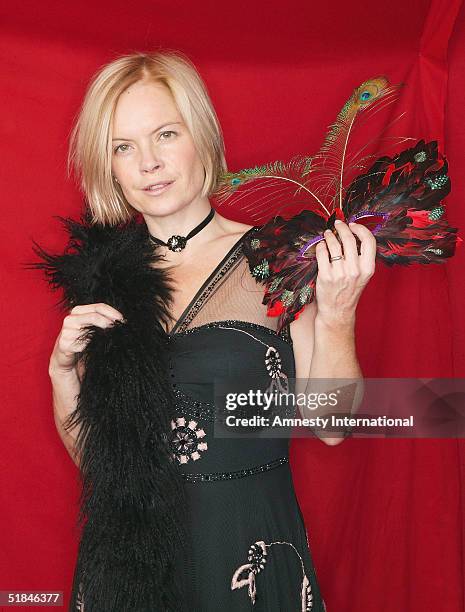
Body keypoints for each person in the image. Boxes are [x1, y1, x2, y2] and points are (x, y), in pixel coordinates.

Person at [48, 50, 377, 611]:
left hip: (247, 552)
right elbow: (99, 463)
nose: (148, 162)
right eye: (123, 147)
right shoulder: (104, 277)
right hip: (130, 571)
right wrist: (62, 372)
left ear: (202, 134)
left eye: (166, 134)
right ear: (110, 166)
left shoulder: (277, 259)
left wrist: (339, 314)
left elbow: (333, 427)